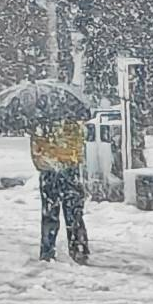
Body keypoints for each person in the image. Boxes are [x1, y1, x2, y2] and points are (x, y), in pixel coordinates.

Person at [30, 107, 92, 262]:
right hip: (70, 169)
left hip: (49, 171)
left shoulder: (40, 125)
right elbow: (79, 147)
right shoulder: (74, 123)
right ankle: (78, 248)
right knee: (74, 213)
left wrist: (45, 161)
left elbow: (36, 151)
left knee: (50, 214)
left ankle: (47, 250)